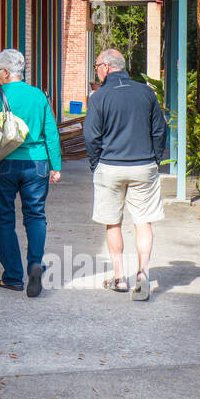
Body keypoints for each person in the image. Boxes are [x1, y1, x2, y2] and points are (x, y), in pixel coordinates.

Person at [83, 48, 168, 301]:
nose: (96, 70)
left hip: (110, 167)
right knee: (143, 221)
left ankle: (119, 278)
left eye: (97, 65)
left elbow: (91, 136)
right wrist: (154, 158)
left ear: (106, 68)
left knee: (113, 222)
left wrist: (96, 163)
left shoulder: (99, 97)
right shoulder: (146, 93)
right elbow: (159, 130)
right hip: (143, 165)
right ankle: (143, 275)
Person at [0, 48, 62, 297]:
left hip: (3, 164)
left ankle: (13, 276)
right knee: (35, 215)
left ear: (5, 72)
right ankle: (35, 264)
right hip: (37, 163)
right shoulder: (38, 95)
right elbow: (51, 131)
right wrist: (55, 165)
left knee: (4, 218)